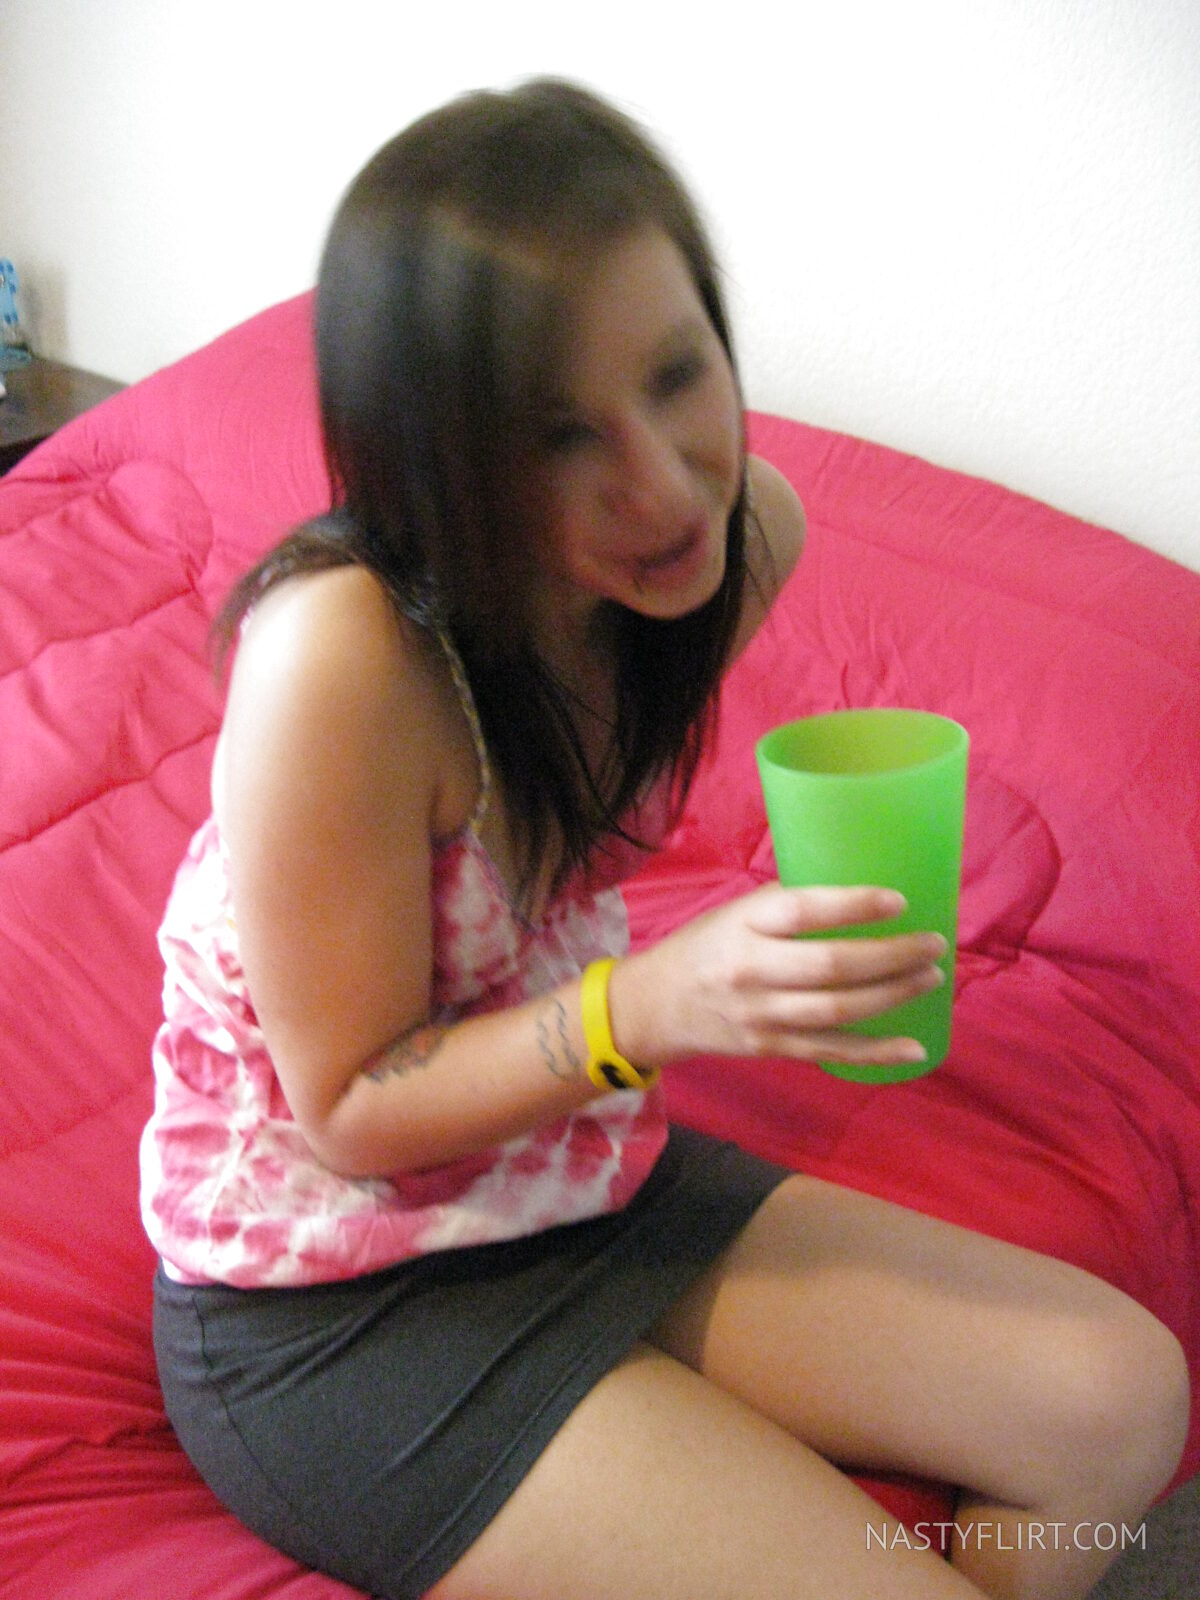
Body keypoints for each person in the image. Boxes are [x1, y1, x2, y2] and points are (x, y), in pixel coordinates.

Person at [141, 79, 1187, 1600]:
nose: (661, 480)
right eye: (560, 436)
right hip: (330, 1299)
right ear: (439, 464)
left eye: (679, 375)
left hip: (565, 1173)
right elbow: (348, 1109)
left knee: (1121, 1402)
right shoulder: (342, 656)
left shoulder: (741, 543)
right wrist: (655, 1006)